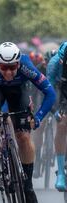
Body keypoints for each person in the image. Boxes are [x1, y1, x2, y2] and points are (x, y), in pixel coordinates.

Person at [0, 42, 56, 202]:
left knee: (24, 137)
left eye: (12, 67)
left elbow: (50, 93)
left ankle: (28, 185)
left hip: (18, 92)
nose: (8, 72)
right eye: (3, 68)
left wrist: (38, 118)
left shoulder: (26, 66)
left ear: (18, 63)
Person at [46, 42, 67, 191]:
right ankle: (61, 172)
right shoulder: (54, 64)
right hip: (61, 92)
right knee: (62, 124)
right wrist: (54, 111)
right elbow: (48, 91)